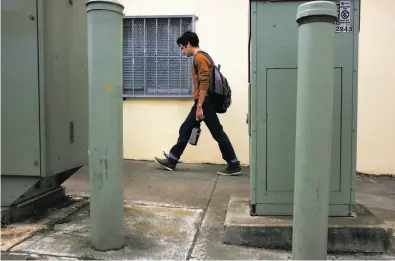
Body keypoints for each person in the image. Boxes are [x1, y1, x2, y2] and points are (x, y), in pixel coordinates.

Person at [153, 31, 241, 176]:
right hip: (203, 101)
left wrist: (200, 106)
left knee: (217, 132)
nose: (182, 51)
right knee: (186, 128)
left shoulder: (200, 58)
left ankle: (233, 163)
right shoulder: (203, 57)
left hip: (204, 102)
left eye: (182, 48)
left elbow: (204, 84)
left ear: (188, 44)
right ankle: (172, 159)